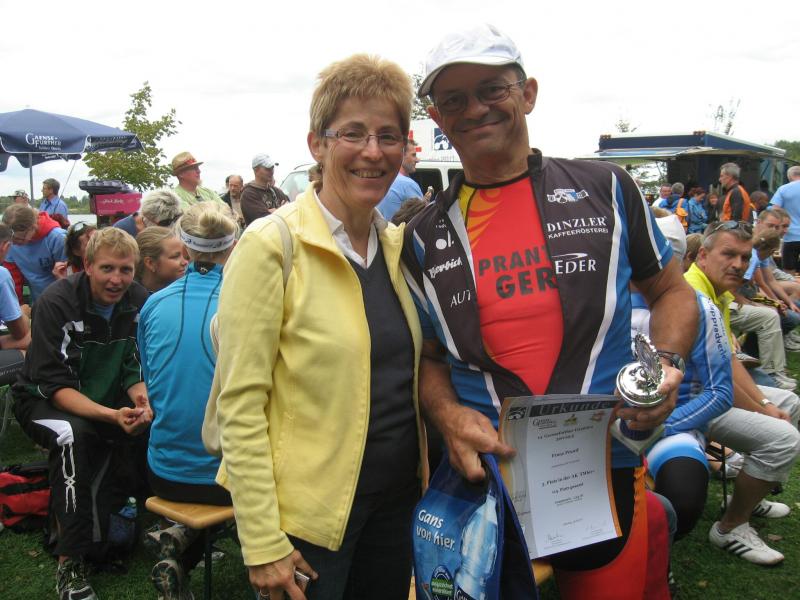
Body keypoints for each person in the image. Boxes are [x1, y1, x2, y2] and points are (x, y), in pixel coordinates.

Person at [402, 24, 696, 599]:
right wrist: (447, 415)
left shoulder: (606, 187)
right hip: (487, 473)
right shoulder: (422, 236)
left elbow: (671, 290)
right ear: (437, 118)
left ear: (528, 93)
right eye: (453, 100)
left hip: (602, 464)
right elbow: (430, 357)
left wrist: (664, 365)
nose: (475, 108)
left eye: (492, 89)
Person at [212, 53, 426, 600]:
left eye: (388, 135)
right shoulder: (271, 245)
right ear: (317, 144)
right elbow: (240, 403)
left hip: (396, 505)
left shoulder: (396, 246)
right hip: (308, 522)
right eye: (353, 133)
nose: (373, 151)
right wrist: (262, 539)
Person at [12, 227, 152, 600]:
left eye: (125, 269)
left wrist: (141, 402)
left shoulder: (139, 300)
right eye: (107, 268)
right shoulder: (56, 302)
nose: (116, 279)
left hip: (102, 398)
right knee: (72, 436)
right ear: (87, 266)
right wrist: (111, 415)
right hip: (40, 400)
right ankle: (70, 564)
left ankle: (169, 528)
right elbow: (56, 388)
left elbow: (133, 367)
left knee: (157, 420)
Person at [683, 220, 800, 564]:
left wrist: (764, 401)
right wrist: (763, 408)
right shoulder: (695, 295)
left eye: (745, 257)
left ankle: (745, 498)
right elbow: (718, 380)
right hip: (692, 403)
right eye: (729, 254)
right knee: (783, 439)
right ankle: (730, 527)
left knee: (789, 402)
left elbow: (727, 361)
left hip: (710, 391)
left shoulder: (715, 290)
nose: (738, 264)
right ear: (702, 256)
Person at [139, 202, 238, 599]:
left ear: (183, 246)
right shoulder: (244, 303)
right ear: (234, 246)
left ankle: (181, 541)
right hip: (227, 477)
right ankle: (186, 543)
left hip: (162, 470)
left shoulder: (153, 303)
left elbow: (153, 382)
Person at [2, 203, 67, 302]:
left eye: (19, 239)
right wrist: (19, 305)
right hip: (38, 300)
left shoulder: (57, 238)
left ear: (33, 227)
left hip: (61, 297)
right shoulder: (9, 242)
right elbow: (14, 278)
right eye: (11, 239)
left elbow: (71, 275)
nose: (14, 243)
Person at [0, 223, 30, 373]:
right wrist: (23, 312)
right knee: (34, 345)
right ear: (5, 246)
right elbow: (20, 332)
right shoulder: (2, 275)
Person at [376, 138, 423, 220]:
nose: (417, 160)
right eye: (413, 155)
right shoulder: (408, 185)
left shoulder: (381, 180)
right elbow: (423, 218)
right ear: (401, 156)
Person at [240, 153, 290, 226]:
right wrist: (281, 210)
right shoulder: (248, 194)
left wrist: (274, 212)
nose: (271, 171)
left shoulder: (276, 191)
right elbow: (264, 221)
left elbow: (291, 210)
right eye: (267, 168)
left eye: (272, 167)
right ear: (256, 170)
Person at [135, 226, 188, 294]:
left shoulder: (188, 289)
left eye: (185, 256)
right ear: (150, 263)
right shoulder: (129, 297)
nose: (185, 262)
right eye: (175, 257)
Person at [113, 188, 183, 239]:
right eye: (165, 223)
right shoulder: (120, 231)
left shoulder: (175, 226)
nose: (171, 226)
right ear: (147, 217)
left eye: (176, 218)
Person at [769, 165, 800, 273]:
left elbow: (775, 211)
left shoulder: (783, 189)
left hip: (790, 236)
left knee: (789, 271)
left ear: (789, 176)